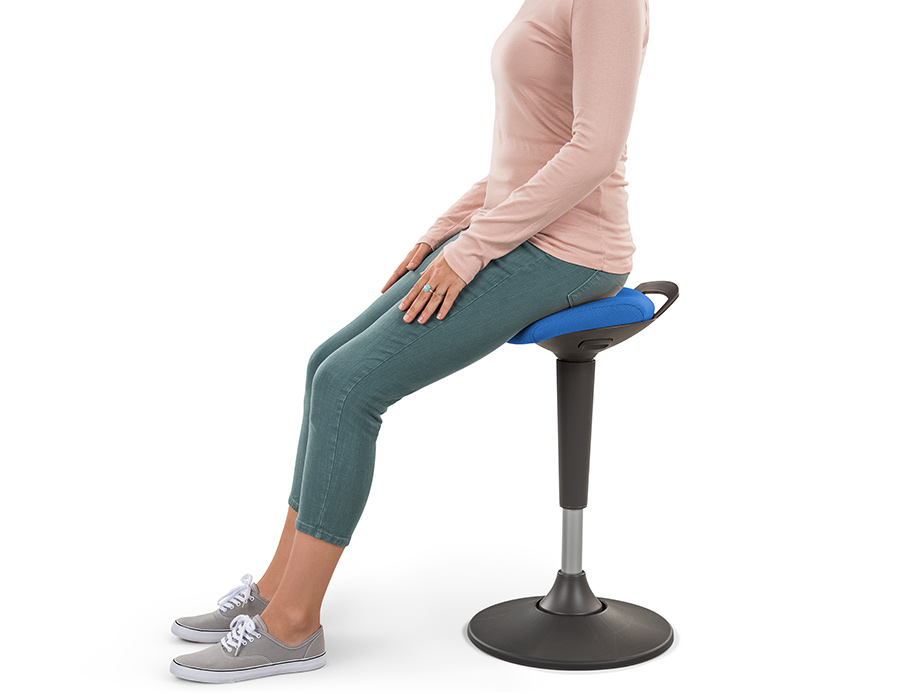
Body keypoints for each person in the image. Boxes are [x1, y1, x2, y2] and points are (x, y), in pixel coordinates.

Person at [169, 0, 650, 683]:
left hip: (574, 252)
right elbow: (524, 153)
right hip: (515, 231)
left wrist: (474, 248)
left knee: (351, 388)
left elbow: (593, 151)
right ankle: (276, 588)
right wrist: (441, 234)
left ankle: (294, 627)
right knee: (323, 368)